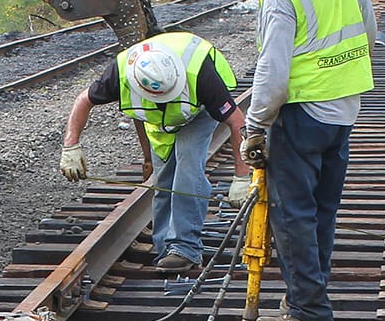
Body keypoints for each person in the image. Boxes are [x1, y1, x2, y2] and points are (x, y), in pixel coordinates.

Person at [239, 0, 377, 321]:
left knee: (292, 212)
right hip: (344, 110)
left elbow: (273, 71)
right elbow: (369, 32)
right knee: (322, 210)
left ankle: (309, 313)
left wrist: (255, 127)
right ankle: (307, 292)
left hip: (302, 114)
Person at [60, 33, 252, 273]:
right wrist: (71, 145)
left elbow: (237, 122)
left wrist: (242, 176)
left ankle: (185, 249)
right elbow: (83, 100)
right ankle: (165, 250)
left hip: (198, 112)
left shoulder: (200, 75)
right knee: (163, 182)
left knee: (187, 170)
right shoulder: (120, 73)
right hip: (158, 121)